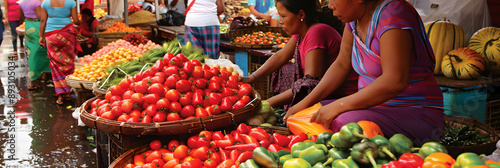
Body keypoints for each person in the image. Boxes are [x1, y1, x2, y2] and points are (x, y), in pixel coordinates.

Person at [285, 0, 445, 145]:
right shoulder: (353, 20)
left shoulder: (393, 14)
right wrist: (305, 103)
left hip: (413, 111)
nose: (330, 6)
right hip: (371, 108)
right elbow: (341, 64)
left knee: (346, 124)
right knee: (304, 117)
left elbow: (395, 81)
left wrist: (339, 105)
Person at [240, 0, 358, 109]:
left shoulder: (316, 32)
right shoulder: (302, 32)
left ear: (301, 15)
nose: (280, 21)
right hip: (327, 96)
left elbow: (309, 84)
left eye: (283, 16)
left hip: (342, 99)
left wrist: (268, 102)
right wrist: (251, 78)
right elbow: (280, 56)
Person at [39, 0, 81, 104]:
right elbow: (75, 20)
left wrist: (41, 36)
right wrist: (80, 22)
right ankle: (68, 92)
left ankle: (60, 95)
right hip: (67, 34)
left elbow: (43, 20)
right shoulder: (71, 2)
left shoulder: (45, 3)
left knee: (55, 64)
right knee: (67, 62)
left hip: (51, 35)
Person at [20, 0, 51, 90]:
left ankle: (41, 76)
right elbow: (41, 18)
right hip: (37, 27)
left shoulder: (22, 2)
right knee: (37, 53)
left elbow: (20, 17)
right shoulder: (37, 3)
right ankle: (33, 81)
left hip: (28, 26)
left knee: (32, 52)